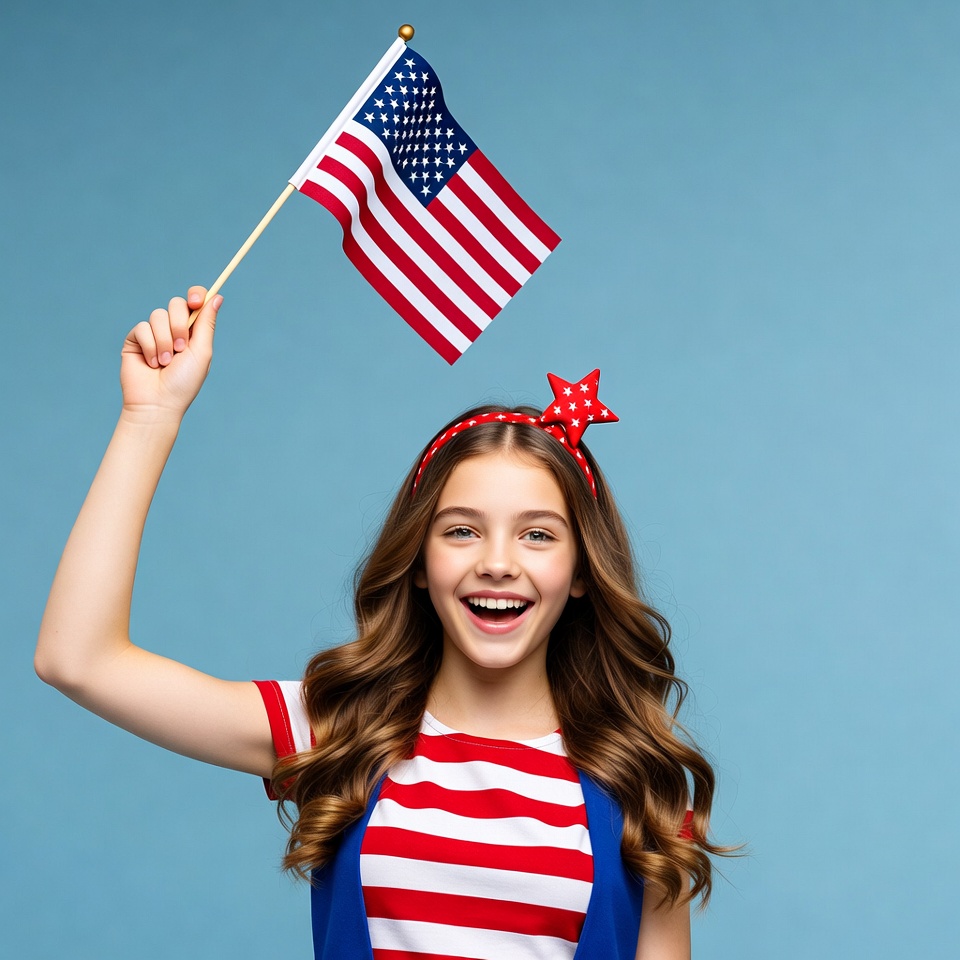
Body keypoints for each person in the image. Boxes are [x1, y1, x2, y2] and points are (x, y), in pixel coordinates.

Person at [36, 286, 727, 960]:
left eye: (538, 535)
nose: (497, 563)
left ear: (580, 571)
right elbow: (77, 659)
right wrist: (149, 417)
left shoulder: (643, 784)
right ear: (419, 561)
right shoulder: (338, 728)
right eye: (461, 531)